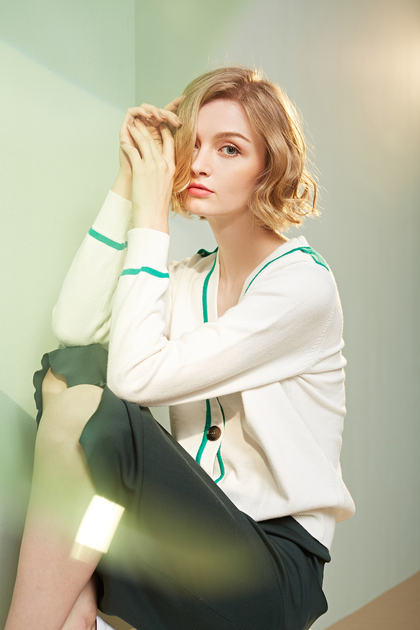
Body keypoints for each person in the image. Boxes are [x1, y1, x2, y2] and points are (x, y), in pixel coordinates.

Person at [5, 64, 355, 630]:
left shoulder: (301, 286)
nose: (200, 163)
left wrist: (152, 213)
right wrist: (128, 180)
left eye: (230, 149)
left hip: (267, 573)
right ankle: (77, 596)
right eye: (192, 144)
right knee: (70, 371)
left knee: (99, 410)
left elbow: (134, 380)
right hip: (185, 541)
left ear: (270, 168)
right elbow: (75, 326)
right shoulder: (190, 279)